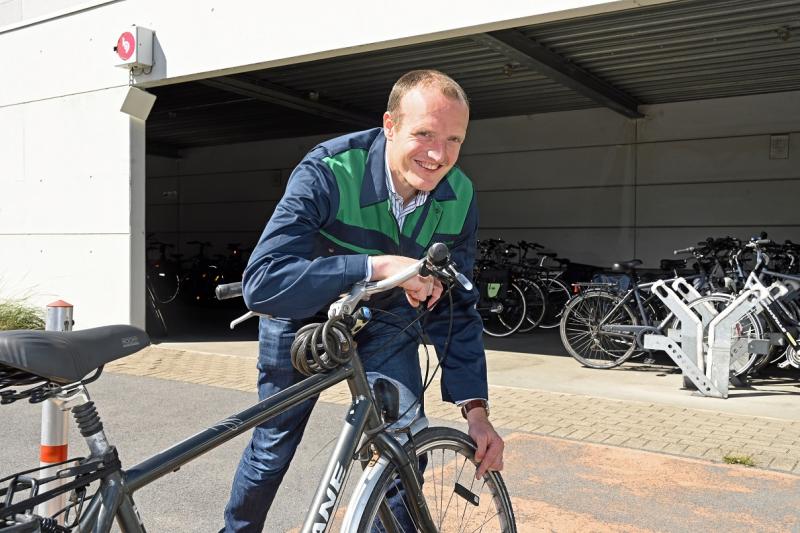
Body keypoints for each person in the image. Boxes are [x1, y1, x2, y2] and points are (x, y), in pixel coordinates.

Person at [222, 69, 504, 532]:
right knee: (273, 448)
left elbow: (457, 304)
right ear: (389, 126)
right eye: (424, 134)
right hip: (303, 319)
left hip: (389, 321)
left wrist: (477, 413)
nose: (439, 155)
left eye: (454, 139)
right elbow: (265, 280)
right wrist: (377, 266)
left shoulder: (461, 196)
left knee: (401, 453)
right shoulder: (329, 170)